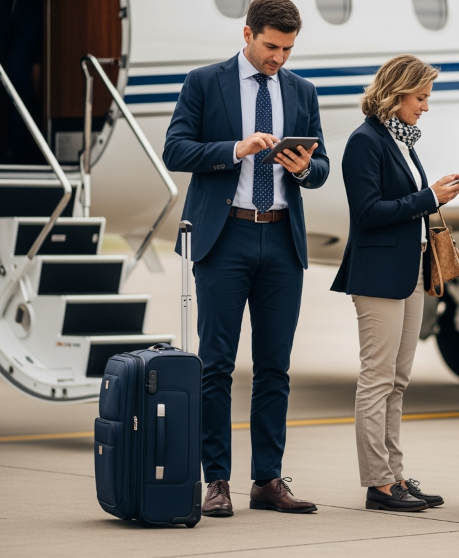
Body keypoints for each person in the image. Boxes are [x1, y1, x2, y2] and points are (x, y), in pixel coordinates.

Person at [162, 0, 329, 517]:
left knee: (275, 368)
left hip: (281, 239)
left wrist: (303, 168)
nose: (278, 58)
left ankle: (268, 480)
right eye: (271, 47)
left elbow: (321, 167)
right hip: (225, 236)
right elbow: (175, 150)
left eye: (287, 49)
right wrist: (235, 149)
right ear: (248, 34)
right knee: (216, 366)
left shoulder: (302, 90)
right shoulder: (204, 82)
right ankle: (217, 482)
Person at [331, 55, 459, 512]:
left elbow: (404, 201)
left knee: (397, 380)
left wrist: (435, 191)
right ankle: (378, 483)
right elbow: (368, 213)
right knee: (376, 379)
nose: (426, 107)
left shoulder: (402, 141)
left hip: (409, 271)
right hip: (376, 275)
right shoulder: (364, 141)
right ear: (397, 93)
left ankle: (394, 476)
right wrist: (430, 196)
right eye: (421, 97)